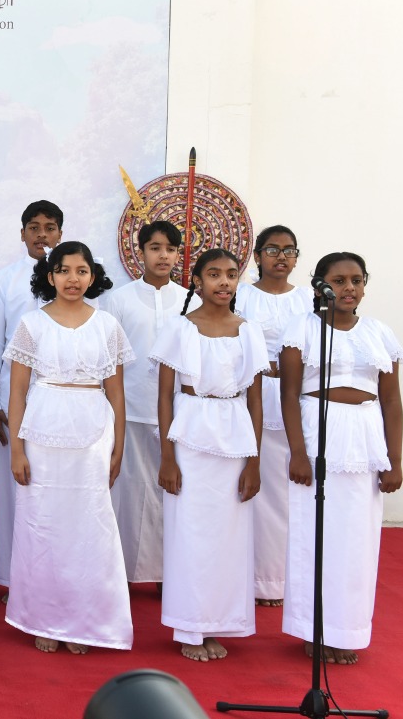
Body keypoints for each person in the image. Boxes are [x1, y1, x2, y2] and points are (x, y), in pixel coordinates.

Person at [4, 241, 132, 654]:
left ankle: (84, 620)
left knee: (89, 525)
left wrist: (119, 447)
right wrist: (17, 450)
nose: (72, 279)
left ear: (92, 276)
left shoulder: (107, 325)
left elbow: (116, 391)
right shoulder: (32, 324)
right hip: (43, 432)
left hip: (94, 433)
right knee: (43, 524)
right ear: (50, 276)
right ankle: (44, 618)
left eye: (81, 271)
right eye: (63, 270)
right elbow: (19, 391)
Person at [279, 252, 403, 665]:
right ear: (320, 286)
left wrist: (395, 459)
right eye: (339, 280)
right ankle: (313, 629)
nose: (349, 288)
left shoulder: (380, 332)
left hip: (365, 440)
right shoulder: (303, 328)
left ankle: (346, 628)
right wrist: (298, 452)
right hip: (319, 433)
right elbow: (290, 395)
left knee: (357, 541)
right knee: (315, 536)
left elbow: (391, 400)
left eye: (357, 279)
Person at [151, 248, 268, 661]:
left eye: (231, 274)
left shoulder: (248, 330)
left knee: (229, 536)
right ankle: (189, 625)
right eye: (213, 274)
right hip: (190, 433)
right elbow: (164, 396)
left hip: (234, 436)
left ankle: (217, 622)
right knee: (190, 532)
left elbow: (255, 400)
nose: (223, 282)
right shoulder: (180, 328)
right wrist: (167, 456)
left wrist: (254, 461)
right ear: (197, 281)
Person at [101, 221, 195, 585]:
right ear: (140, 252)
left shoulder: (192, 300)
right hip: (132, 407)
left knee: (171, 491)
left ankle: (166, 574)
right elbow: (110, 359)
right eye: (155, 248)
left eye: (170, 249)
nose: (163, 255)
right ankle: (121, 572)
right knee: (128, 492)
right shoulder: (119, 300)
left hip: (180, 412)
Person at [0, 200, 63, 594]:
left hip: (62, 401)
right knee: (15, 487)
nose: (41, 234)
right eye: (34, 227)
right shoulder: (3, 281)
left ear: (60, 234)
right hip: (13, 399)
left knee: (53, 489)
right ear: (22, 233)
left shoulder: (73, 277)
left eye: (49, 227)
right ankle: (13, 578)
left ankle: (51, 577)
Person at [233, 225, 312, 607]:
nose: (281, 257)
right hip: (252, 393)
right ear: (256, 256)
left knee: (287, 488)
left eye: (288, 250)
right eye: (272, 249)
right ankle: (246, 576)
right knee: (251, 481)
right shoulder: (241, 295)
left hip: (295, 399)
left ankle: (279, 580)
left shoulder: (310, 300)